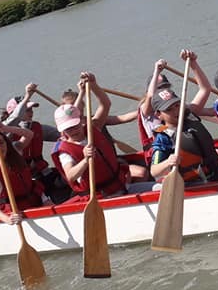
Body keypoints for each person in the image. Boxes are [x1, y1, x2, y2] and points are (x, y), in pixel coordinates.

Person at [148, 49, 218, 182]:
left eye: (177, 105)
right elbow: (154, 171)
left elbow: (205, 88)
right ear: (159, 115)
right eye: (169, 109)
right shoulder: (163, 138)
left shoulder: (189, 114)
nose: (176, 111)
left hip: (214, 172)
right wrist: (168, 162)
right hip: (194, 183)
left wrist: (193, 63)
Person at [52, 72, 152, 200]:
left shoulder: (93, 127)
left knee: (160, 187)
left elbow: (105, 104)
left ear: (81, 121)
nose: (73, 131)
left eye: (75, 125)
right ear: (62, 130)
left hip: (121, 185)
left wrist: (94, 84)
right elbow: (71, 176)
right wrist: (85, 160)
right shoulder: (65, 151)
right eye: (68, 129)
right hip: (101, 197)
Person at [0, 123, 48, 226]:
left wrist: (4, 128)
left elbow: (29, 134)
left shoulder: (15, 152)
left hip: (37, 201)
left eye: (1, 143)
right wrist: (8, 219)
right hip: (16, 212)